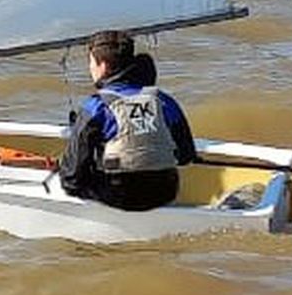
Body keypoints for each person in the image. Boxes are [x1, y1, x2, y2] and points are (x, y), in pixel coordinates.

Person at [58, 30, 197, 211]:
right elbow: (186, 156)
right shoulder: (164, 101)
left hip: (118, 197)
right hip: (165, 193)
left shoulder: (96, 107)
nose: (90, 68)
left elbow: (72, 177)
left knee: (71, 178)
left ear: (103, 66)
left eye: (91, 62)